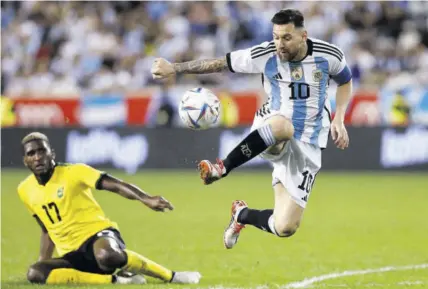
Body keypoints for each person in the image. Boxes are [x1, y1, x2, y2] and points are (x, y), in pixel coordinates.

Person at [151, 9, 352, 249]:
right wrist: (175, 68)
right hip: (273, 125)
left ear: (303, 36)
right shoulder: (265, 54)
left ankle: (241, 215)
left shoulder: (328, 55)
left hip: (308, 142)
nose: (280, 44)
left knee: (285, 226)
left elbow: (345, 81)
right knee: (283, 126)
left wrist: (339, 118)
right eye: (276, 37)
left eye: (286, 38)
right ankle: (221, 167)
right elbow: (219, 63)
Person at [18, 132, 202, 284]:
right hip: (71, 254)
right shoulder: (25, 190)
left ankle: (172, 276)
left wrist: (146, 199)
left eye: (42, 151)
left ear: (52, 153)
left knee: (106, 255)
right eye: (31, 153)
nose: (37, 157)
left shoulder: (74, 172)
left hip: (98, 235)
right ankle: (117, 280)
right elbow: (46, 228)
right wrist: (45, 261)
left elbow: (115, 184)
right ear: (25, 160)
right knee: (35, 273)